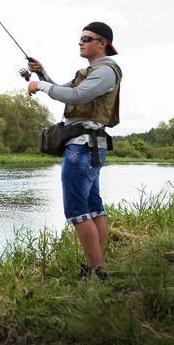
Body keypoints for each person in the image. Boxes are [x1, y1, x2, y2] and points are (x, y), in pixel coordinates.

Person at [27, 22, 122, 281]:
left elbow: (77, 96)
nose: (81, 42)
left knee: (77, 209)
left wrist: (39, 87)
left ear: (103, 43)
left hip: (82, 149)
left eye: (87, 38)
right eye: (80, 38)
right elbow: (65, 91)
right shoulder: (91, 72)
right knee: (93, 206)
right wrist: (42, 74)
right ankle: (98, 267)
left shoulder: (105, 71)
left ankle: (94, 271)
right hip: (88, 148)